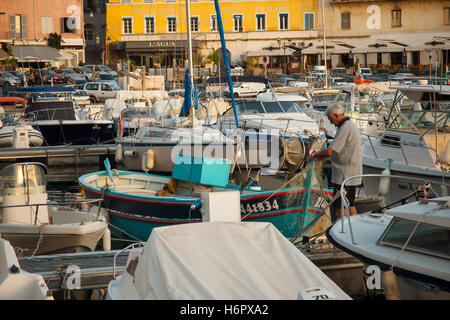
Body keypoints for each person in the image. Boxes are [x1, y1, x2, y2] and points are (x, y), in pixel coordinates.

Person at [307, 104, 362, 222]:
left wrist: (313, 157)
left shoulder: (345, 128)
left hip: (344, 174)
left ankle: (342, 229)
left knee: (340, 204)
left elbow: (330, 151)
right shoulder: (350, 126)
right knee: (350, 203)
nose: (331, 123)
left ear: (336, 116)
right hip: (351, 173)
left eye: (331, 119)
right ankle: (355, 226)